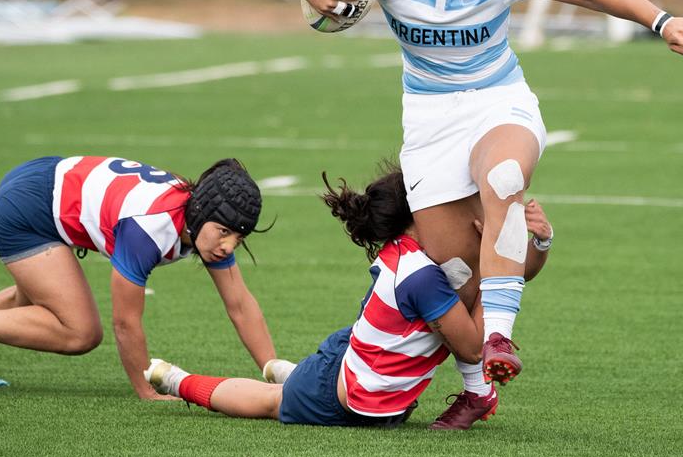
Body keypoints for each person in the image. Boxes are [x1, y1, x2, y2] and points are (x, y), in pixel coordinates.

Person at [270, 0, 683, 421]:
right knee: (454, 270)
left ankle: (498, 337)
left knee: (504, 178)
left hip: (500, 102)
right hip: (430, 123)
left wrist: (661, 20)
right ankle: (479, 391)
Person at [145, 164, 557, 430]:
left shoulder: (427, 255)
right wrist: (489, 260)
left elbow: (512, 277)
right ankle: (178, 380)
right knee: (272, 402)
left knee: (319, 365)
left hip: (364, 351)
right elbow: (472, 348)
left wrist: (538, 241)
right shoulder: (421, 276)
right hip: (344, 387)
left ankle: (287, 370)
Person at [0, 156, 289, 399]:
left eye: (238, 237)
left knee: (31, 298)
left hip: (43, 179)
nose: (229, 245)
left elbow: (240, 304)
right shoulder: (150, 229)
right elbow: (125, 322)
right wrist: (147, 390)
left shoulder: (202, 222)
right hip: (28, 210)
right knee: (80, 331)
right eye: (224, 232)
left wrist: (272, 371)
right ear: (202, 212)